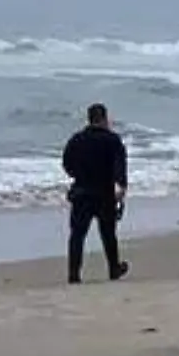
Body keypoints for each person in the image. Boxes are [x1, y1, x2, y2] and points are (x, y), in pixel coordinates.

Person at [63, 103, 129, 284]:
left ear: (89, 119)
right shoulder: (113, 140)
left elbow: (67, 163)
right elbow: (120, 166)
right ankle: (114, 269)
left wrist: (78, 175)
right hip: (104, 193)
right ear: (105, 119)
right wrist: (121, 186)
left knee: (77, 235)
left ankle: (74, 274)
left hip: (81, 192)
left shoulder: (76, 139)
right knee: (108, 233)